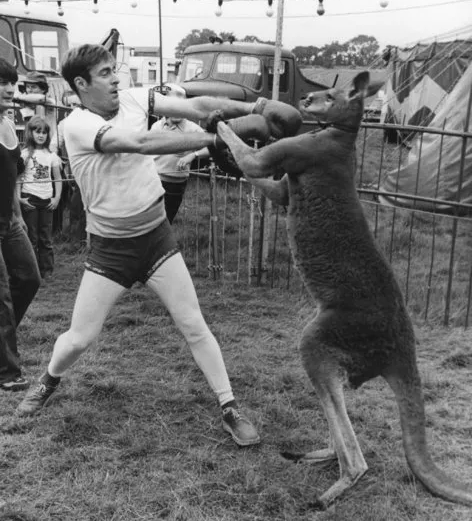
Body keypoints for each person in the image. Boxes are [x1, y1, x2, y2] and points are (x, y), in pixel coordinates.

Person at [17, 43, 294, 446]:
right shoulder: (75, 125)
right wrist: (218, 141)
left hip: (156, 237)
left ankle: (229, 406)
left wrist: (257, 106)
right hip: (111, 250)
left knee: (193, 323)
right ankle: (48, 380)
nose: (116, 78)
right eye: (106, 73)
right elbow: (142, 144)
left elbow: (197, 106)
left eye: (115, 69)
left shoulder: (133, 98)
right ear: (81, 84)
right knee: (80, 337)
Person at [0, 58, 41, 392]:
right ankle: (7, 373)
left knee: (28, 278)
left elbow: (12, 178)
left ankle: (4, 335)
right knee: (0, 297)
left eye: (12, 82)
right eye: (2, 82)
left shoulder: (8, 123)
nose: (10, 88)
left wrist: (17, 217)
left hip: (9, 221)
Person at [152, 84, 210, 223]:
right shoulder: (157, 126)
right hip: (152, 181)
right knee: (150, 222)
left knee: (165, 221)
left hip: (174, 185)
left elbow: (212, 146)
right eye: (174, 107)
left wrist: (193, 155)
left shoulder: (192, 129)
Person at [18, 116, 63, 280]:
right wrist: (20, 199)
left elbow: (58, 179)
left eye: (44, 132)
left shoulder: (52, 156)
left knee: (46, 238)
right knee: (32, 237)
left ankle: (47, 271)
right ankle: (33, 272)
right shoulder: (24, 155)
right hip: (30, 198)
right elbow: (19, 178)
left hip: (46, 200)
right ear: (31, 133)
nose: (41, 135)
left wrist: (56, 198)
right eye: (37, 132)